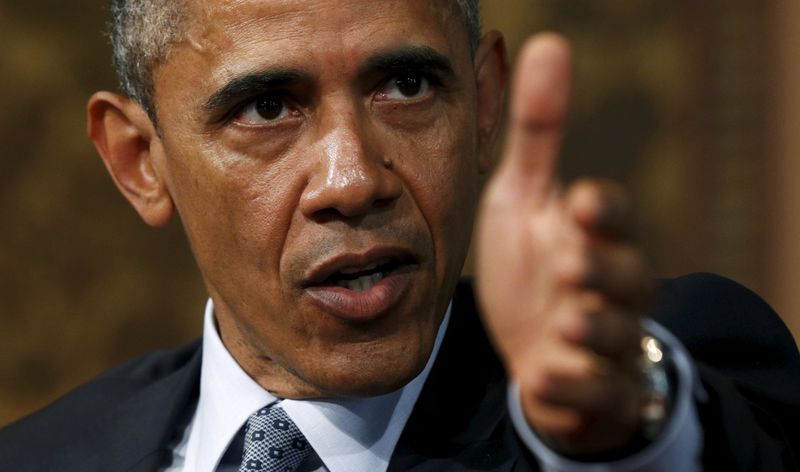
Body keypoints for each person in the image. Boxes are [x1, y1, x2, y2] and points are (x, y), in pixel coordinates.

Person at [1, 0, 798, 471]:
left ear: (485, 105)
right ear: (140, 161)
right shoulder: (37, 458)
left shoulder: (676, 366)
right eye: (269, 107)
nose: (354, 180)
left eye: (407, 86)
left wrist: (628, 431)